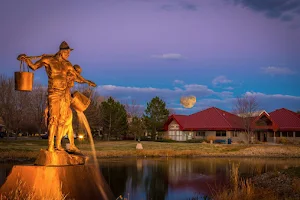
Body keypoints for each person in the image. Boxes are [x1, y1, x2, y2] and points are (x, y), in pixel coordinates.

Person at [20, 41, 96, 152]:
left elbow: (78, 77)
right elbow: (34, 66)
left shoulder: (68, 64)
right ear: (61, 51)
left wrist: (87, 82)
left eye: (69, 52)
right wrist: (26, 59)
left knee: (62, 120)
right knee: (53, 119)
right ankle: (50, 146)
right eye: (67, 52)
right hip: (54, 93)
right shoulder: (48, 60)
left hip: (65, 95)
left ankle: (58, 145)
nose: (68, 54)